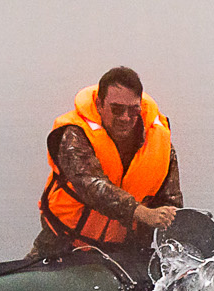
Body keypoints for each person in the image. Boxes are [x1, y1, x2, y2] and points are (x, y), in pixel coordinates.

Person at [31, 66, 182, 262]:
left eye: (133, 110)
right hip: (63, 244)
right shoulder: (74, 134)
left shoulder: (161, 142)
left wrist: (176, 241)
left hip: (124, 254)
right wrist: (142, 213)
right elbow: (92, 186)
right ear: (99, 104)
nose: (125, 118)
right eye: (117, 109)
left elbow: (172, 201)